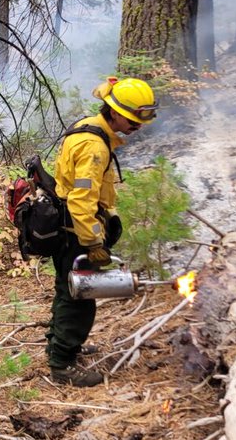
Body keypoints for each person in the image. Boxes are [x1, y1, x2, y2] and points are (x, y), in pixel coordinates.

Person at [46, 76, 158, 387]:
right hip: (77, 232)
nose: (137, 126)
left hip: (71, 228)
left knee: (66, 290)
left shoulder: (92, 128)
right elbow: (82, 199)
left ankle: (60, 347)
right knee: (79, 298)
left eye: (141, 120)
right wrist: (94, 242)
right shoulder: (94, 146)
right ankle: (63, 365)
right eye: (132, 120)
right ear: (113, 111)